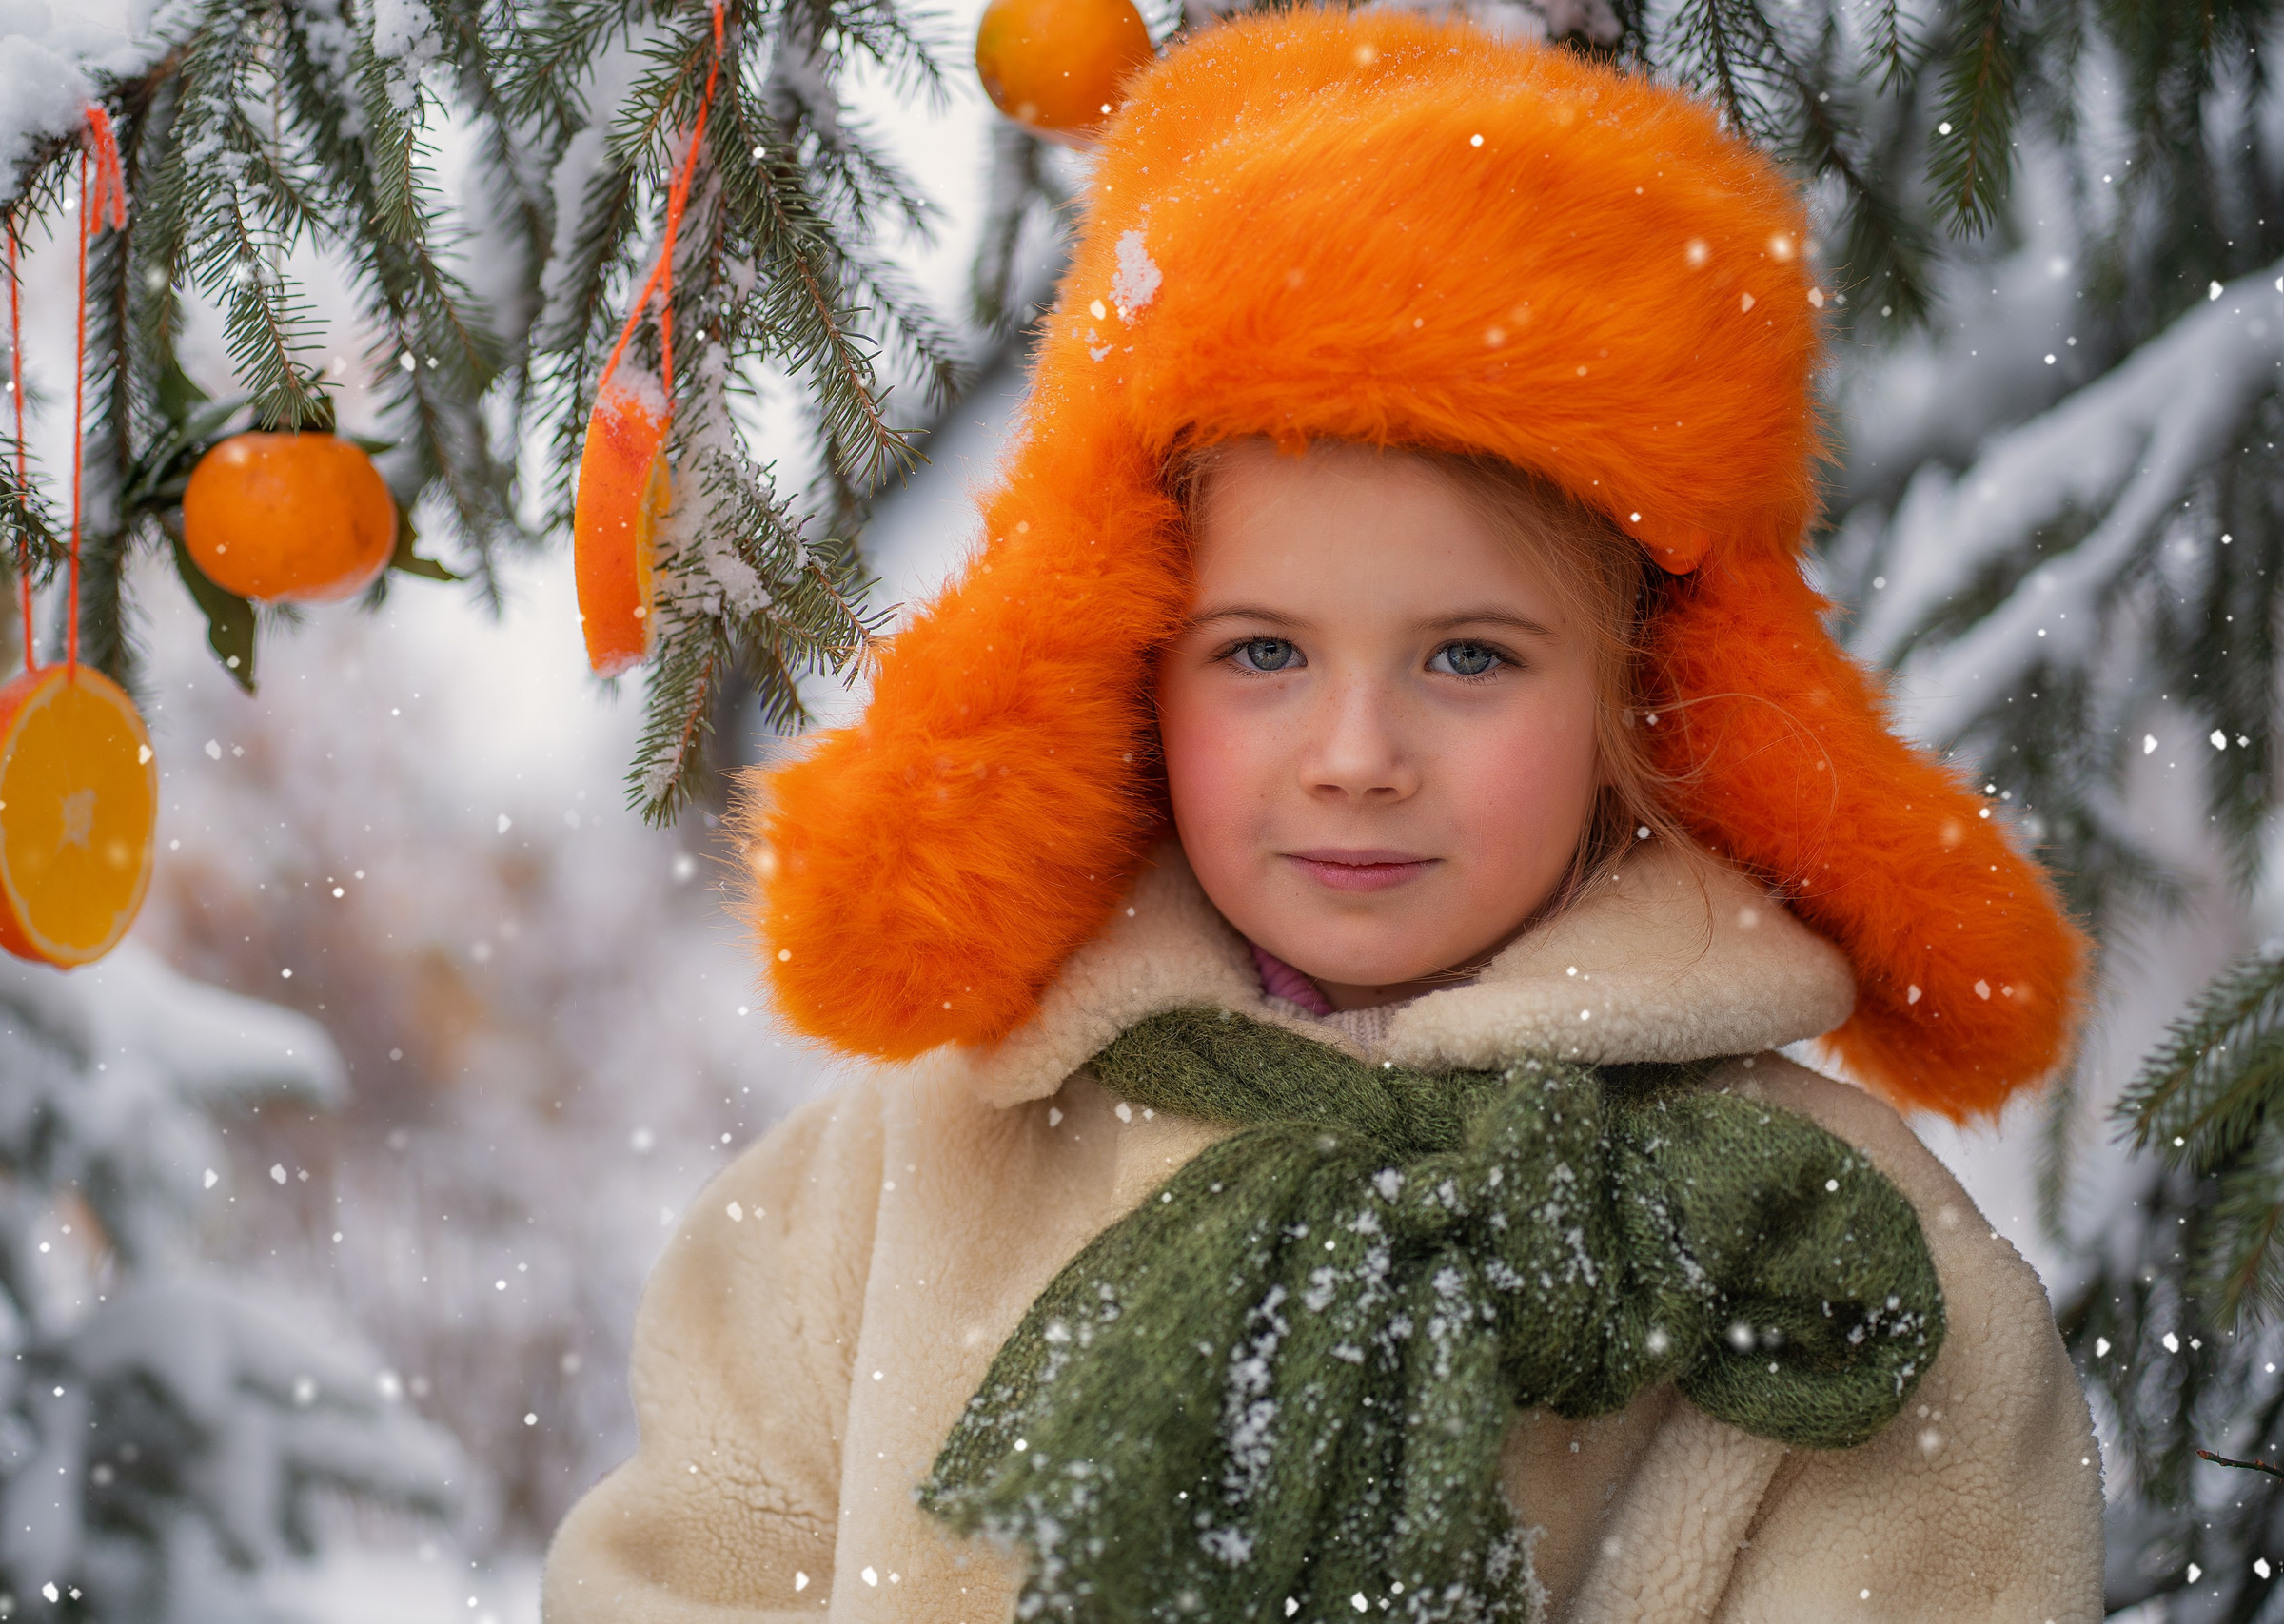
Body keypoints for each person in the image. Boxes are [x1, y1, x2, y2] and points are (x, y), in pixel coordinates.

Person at [543, 9, 2105, 1620]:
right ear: (1132, 671)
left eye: (1471, 657)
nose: (1357, 753)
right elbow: (690, 1568)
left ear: (1634, 702)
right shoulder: (911, 1167)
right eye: (1266, 654)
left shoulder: (1814, 1235)